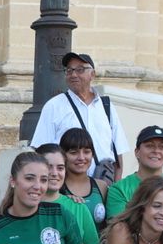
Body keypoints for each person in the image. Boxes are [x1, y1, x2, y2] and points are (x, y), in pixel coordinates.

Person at [30, 51, 126, 180]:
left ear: (92, 74)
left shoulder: (106, 106)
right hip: (66, 183)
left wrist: (116, 187)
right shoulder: (54, 106)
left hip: (103, 183)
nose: (73, 74)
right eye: (69, 70)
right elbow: (41, 150)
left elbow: (117, 152)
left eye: (80, 70)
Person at [104, 125, 163, 218]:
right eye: (149, 146)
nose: (156, 151)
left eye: (162, 147)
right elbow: (118, 227)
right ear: (137, 152)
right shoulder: (119, 189)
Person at [57, 128, 110, 234]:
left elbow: (108, 225)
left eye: (86, 152)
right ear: (63, 156)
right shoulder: (56, 188)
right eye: (73, 152)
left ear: (93, 154)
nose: (81, 157)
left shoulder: (101, 186)